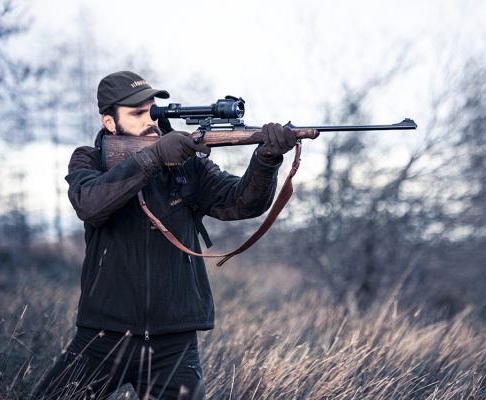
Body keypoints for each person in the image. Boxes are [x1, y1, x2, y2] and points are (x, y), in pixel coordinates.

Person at [37, 71, 296, 399]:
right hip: (101, 335)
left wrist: (266, 159)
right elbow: (89, 204)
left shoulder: (187, 163)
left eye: (153, 110)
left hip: (174, 342)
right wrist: (155, 157)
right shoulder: (90, 159)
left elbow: (241, 203)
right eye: (136, 113)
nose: (151, 120)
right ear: (109, 122)